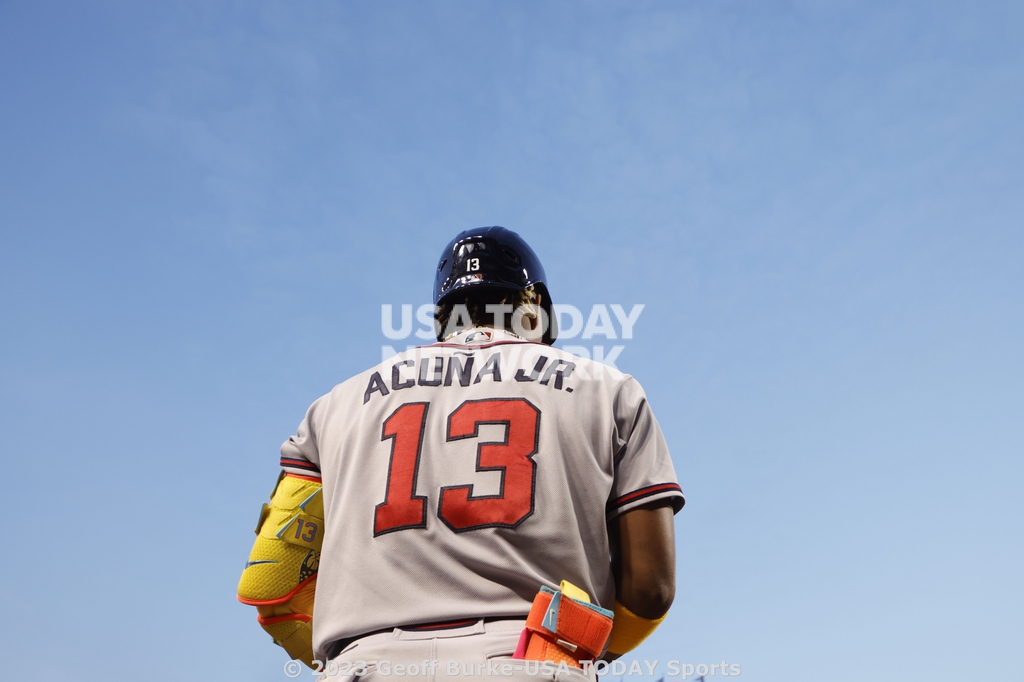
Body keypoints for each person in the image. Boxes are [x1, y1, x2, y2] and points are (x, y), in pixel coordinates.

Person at [238, 226, 684, 681]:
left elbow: (272, 583)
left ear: (443, 316)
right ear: (535, 308)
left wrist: (347, 654)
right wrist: (576, 654)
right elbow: (650, 589)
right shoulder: (609, 389)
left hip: (363, 666)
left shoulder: (332, 406)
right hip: (529, 663)